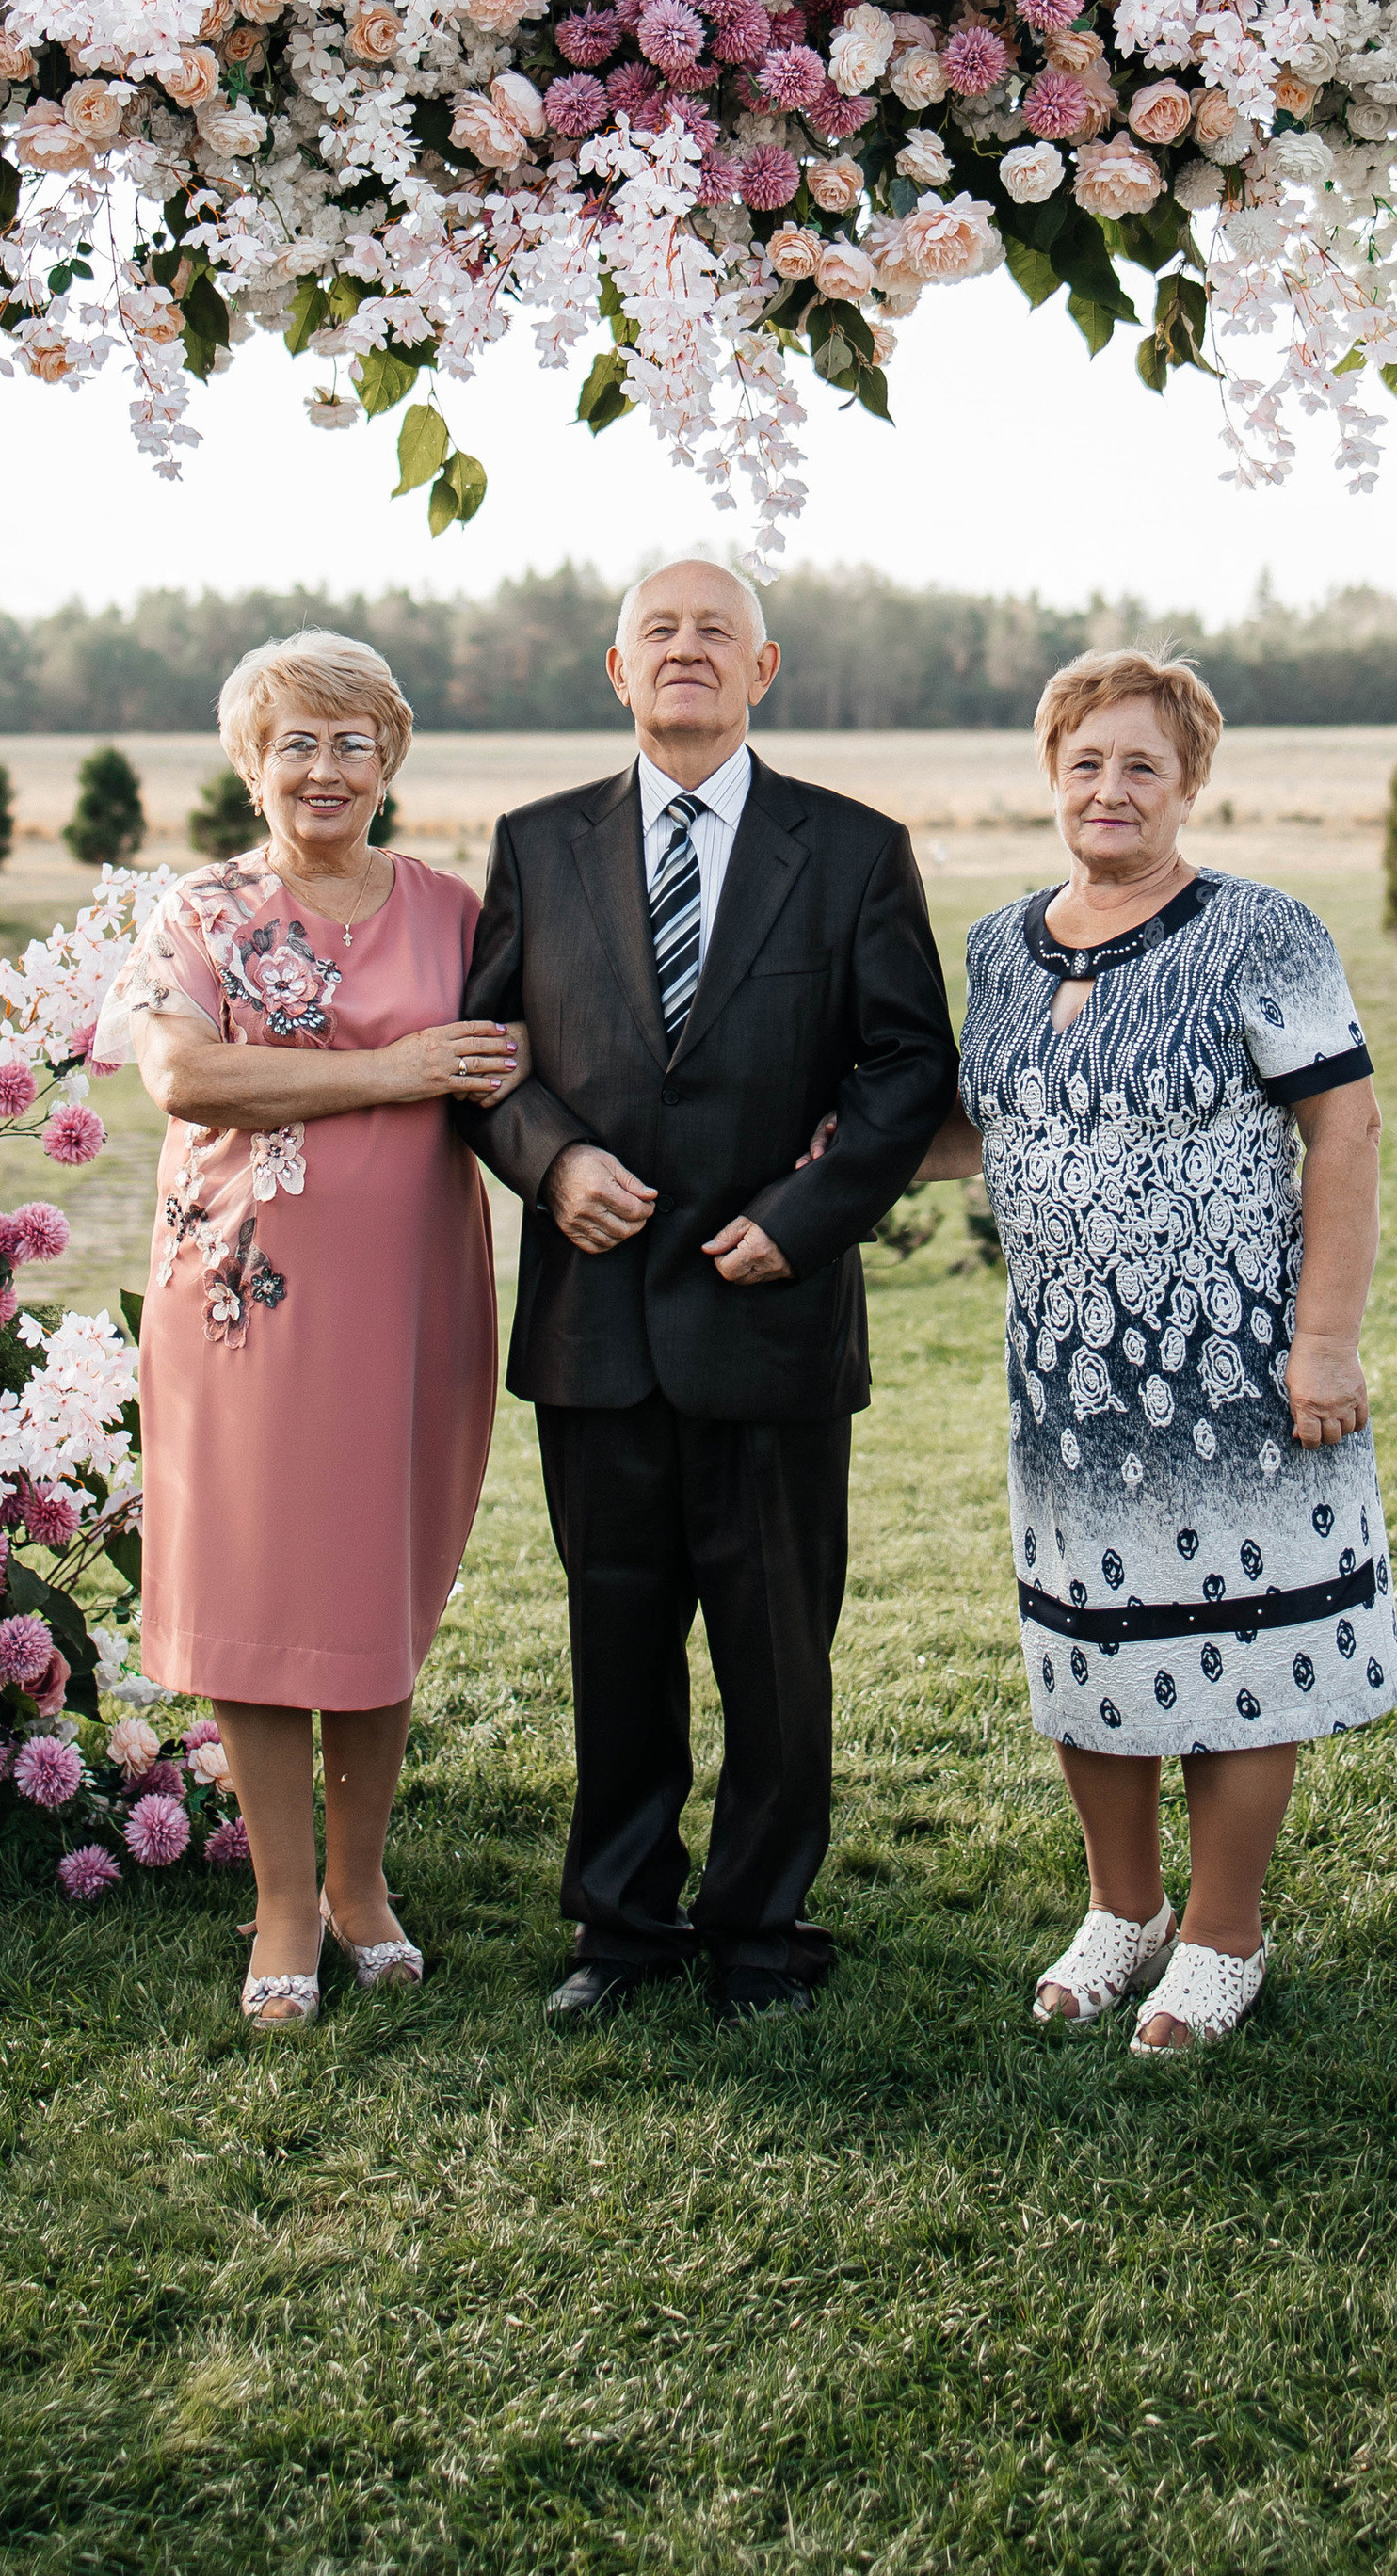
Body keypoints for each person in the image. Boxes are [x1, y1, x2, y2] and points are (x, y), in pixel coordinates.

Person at [461, 562, 958, 2024]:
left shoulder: (856, 850)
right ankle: (618, 1930)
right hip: (594, 1318)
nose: (687, 651)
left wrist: (801, 1220)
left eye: (715, 634)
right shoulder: (536, 844)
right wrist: (550, 1167)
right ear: (616, 672)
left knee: (776, 1646)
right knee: (613, 1638)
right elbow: (490, 1053)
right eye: (658, 633)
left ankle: (761, 1936)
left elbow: (905, 1064)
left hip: (772, 1316)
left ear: (766, 668)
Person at [918, 648, 1397, 2052]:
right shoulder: (1002, 947)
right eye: (1086, 763)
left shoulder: (1263, 932)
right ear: (1051, 777)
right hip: (1066, 1374)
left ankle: (1221, 1933)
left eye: (1143, 764)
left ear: (1190, 781)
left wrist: (1325, 1341)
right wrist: (824, 1144)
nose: (1111, 789)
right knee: (1091, 1641)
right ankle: (1121, 1910)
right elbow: (982, 1128)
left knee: (1239, 1645)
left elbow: (1346, 1129)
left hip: (1235, 1366)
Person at [98, 631, 522, 2032]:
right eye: (297, 741)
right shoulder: (199, 912)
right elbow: (184, 1074)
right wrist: (399, 1068)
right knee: (261, 1591)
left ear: (390, 758)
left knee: (374, 1584)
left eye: (352, 742)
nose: (325, 769)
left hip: (409, 1299)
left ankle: (361, 1883)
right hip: (243, 1304)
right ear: (250, 761)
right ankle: (284, 1896)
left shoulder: (459, 914)